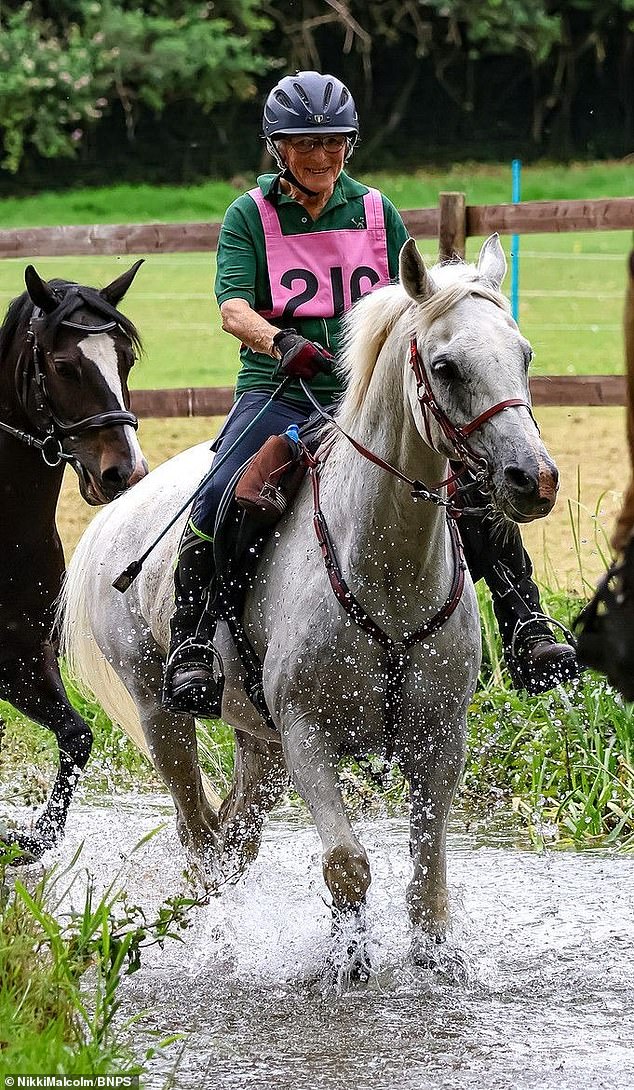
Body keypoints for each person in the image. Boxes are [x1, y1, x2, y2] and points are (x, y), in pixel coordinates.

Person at [162, 70, 578, 718]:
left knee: (469, 476)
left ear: (349, 146)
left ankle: (525, 622)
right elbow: (233, 308)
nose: (321, 157)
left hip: (370, 396)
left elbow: (411, 303)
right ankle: (193, 640)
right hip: (283, 389)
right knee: (223, 489)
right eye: (305, 145)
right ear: (279, 150)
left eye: (333, 143)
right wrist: (278, 342)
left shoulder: (377, 210)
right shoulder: (250, 215)